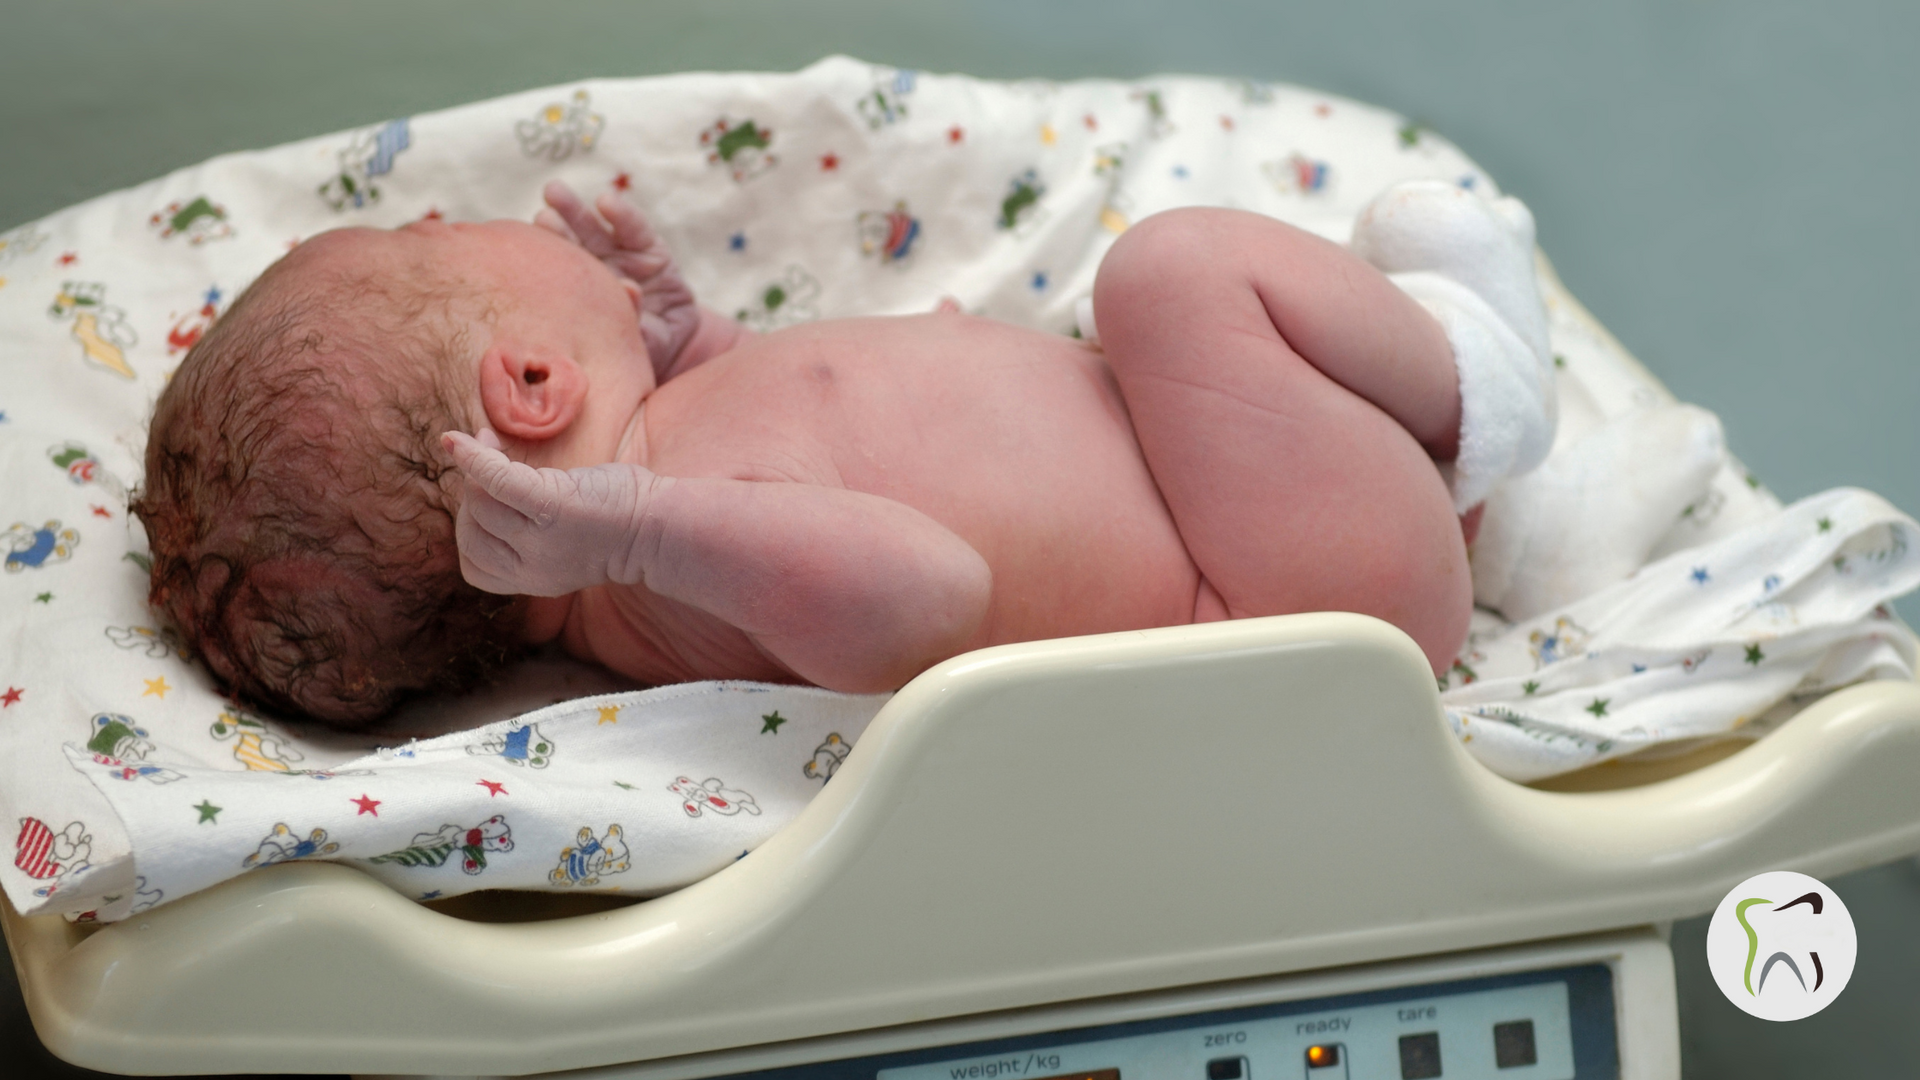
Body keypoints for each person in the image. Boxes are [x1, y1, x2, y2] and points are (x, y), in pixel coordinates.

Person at [131, 179, 1553, 727]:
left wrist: (686, 339)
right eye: (421, 237)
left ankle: (1469, 460)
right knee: (1173, 274)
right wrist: (635, 520)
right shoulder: (662, 567)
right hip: (1293, 598)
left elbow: (809, 434)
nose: (446, 213)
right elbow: (919, 595)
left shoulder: (678, 485)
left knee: (1133, 319)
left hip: (1262, 501)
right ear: (530, 386)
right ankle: (1484, 387)